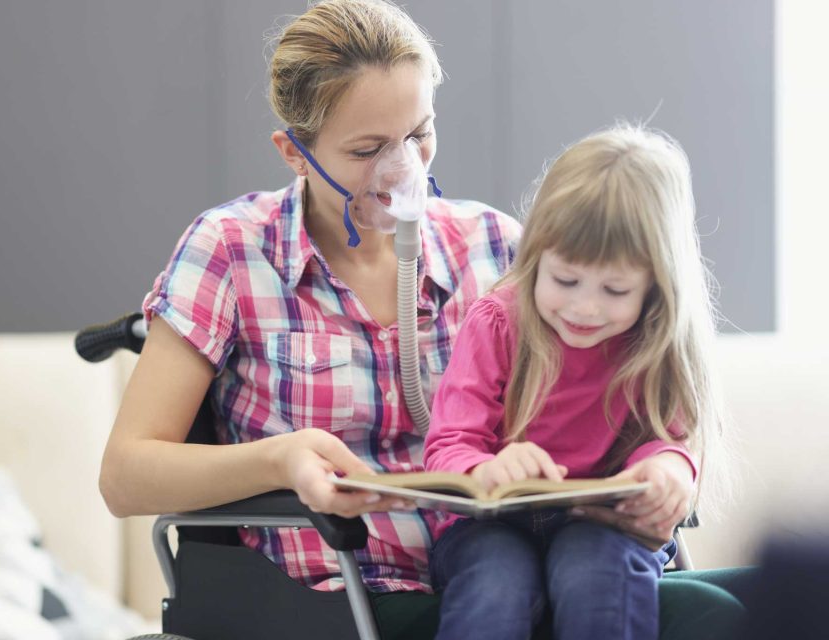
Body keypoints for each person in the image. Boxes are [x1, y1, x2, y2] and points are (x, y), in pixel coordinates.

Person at [98, 2, 748, 638]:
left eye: (418, 134)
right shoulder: (231, 252)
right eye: (367, 148)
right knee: (714, 616)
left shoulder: (499, 247)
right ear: (295, 152)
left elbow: (636, 382)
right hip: (349, 591)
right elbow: (125, 476)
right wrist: (281, 460)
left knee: (745, 600)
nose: (402, 169)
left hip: (537, 562)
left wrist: (666, 472)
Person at [424, 125, 739, 640]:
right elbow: (448, 447)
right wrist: (489, 467)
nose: (585, 307)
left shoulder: (655, 340)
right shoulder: (498, 323)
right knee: (496, 582)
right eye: (565, 280)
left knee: (596, 572)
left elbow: (671, 439)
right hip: (489, 526)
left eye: (615, 289)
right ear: (534, 258)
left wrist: (667, 471)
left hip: (605, 525)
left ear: (656, 286)